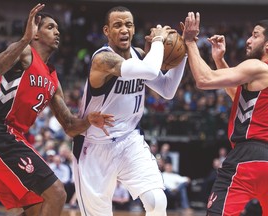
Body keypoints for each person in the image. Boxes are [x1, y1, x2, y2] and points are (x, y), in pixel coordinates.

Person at [0, 4, 114, 216]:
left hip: (12, 137)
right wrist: (23, 40)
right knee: (57, 193)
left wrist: (89, 119)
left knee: (38, 207)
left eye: (58, 28)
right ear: (35, 34)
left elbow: (70, 126)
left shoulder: (53, 80)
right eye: (51, 27)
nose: (57, 31)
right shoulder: (25, 52)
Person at [72, 6, 187, 216]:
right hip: (94, 147)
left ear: (134, 30)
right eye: (117, 25)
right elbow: (150, 69)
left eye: (128, 24)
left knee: (157, 202)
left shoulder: (139, 54)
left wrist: (184, 50)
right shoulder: (103, 60)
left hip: (129, 140)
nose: (124, 29)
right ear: (106, 31)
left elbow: (167, 90)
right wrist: (160, 41)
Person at [182, 12, 268, 215]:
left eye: (255, 35)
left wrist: (190, 42)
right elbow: (241, 99)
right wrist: (219, 61)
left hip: (248, 157)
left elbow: (204, 79)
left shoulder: (257, 66)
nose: (248, 40)